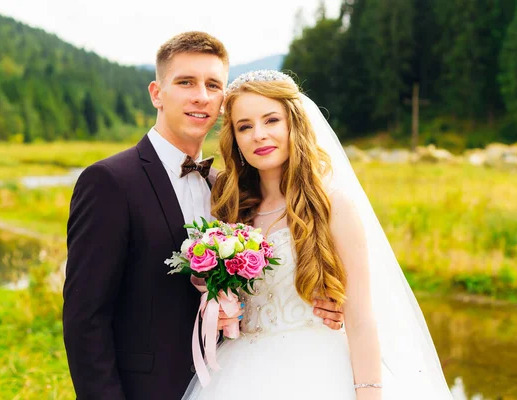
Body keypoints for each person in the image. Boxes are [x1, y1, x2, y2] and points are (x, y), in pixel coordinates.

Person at [62, 33, 343, 400]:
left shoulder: (229, 189)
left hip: (229, 381)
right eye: (185, 82)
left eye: (213, 85)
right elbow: (85, 318)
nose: (201, 96)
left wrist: (321, 303)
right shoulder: (109, 181)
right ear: (156, 93)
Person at [181, 70, 455, 400]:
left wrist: (369, 395)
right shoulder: (232, 210)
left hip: (317, 368)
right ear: (235, 138)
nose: (259, 135)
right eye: (245, 126)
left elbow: (361, 319)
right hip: (241, 371)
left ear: (293, 124)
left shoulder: (333, 205)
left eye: (271, 120)